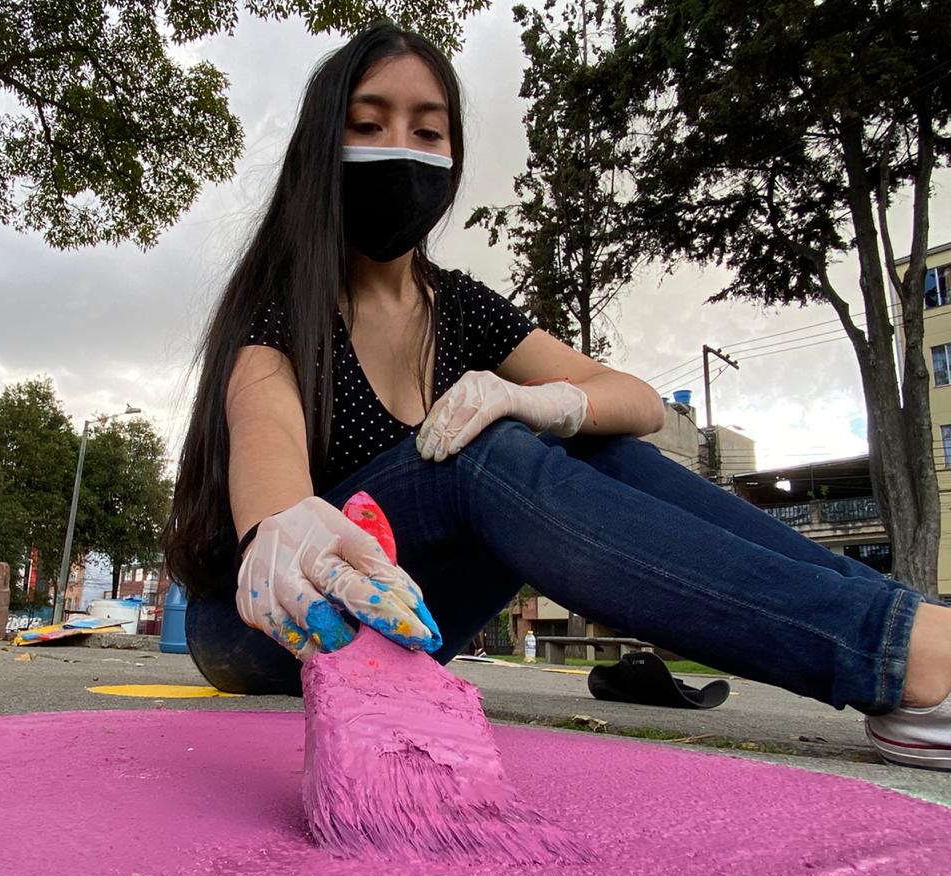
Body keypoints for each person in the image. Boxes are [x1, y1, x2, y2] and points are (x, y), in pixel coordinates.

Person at [162, 22, 951, 771]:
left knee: (581, 436)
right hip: (266, 627)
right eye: (368, 125)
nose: (400, 148)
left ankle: (918, 633)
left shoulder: (463, 310)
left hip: (405, 623)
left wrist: (545, 402)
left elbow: (638, 400)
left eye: (428, 131)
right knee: (477, 455)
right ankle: (898, 656)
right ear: (320, 149)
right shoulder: (280, 306)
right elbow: (265, 449)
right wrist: (282, 523)